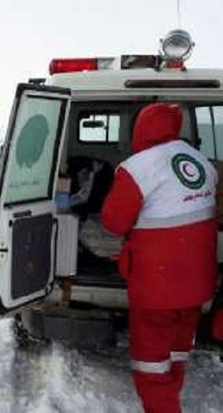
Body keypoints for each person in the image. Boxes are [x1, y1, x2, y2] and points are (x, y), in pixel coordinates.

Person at [101, 103, 218, 413]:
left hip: (157, 288)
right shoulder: (201, 161)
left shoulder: (138, 167)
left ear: (140, 129)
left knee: (151, 365)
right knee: (177, 351)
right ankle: (171, 396)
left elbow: (114, 222)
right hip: (196, 285)